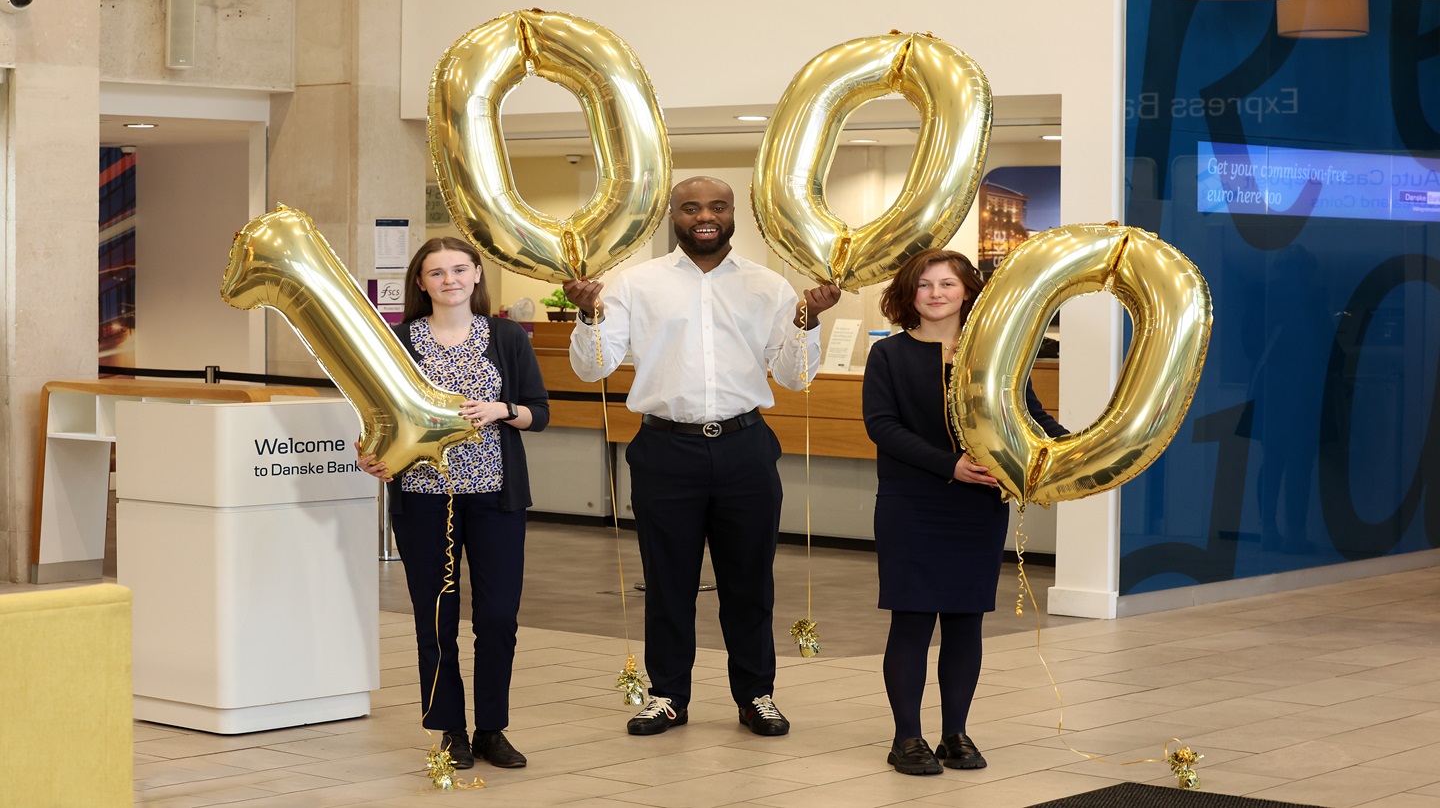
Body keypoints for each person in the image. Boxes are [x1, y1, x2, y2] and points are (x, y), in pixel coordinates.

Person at [563, 176, 840, 737]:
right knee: (668, 583)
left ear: (733, 213)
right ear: (674, 216)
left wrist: (807, 320)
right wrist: (589, 315)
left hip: (746, 448)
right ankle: (667, 695)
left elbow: (794, 376)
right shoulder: (635, 284)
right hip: (666, 449)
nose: (704, 216)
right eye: (691, 208)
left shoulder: (769, 286)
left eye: (716, 206)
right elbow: (592, 367)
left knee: (749, 583)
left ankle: (755, 694)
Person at [862, 248, 1066, 775]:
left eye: (947, 285)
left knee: (964, 624)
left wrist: (1081, 451)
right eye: (924, 285)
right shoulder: (889, 355)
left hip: (977, 508)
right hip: (912, 503)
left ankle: (956, 734)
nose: (935, 294)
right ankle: (907, 738)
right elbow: (882, 427)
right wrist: (948, 466)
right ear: (908, 294)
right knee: (910, 623)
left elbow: (1034, 416)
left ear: (969, 292)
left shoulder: (997, 356)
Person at [357, 237, 549, 770]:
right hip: (423, 498)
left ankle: (492, 729)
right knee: (435, 618)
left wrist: (501, 408)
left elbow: (539, 412)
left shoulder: (507, 336)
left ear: (477, 274)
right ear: (420, 282)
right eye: (436, 272)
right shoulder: (396, 342)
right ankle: (450, 731)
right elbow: (378, 421)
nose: (450, 280)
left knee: (498, 617)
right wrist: (372, 458)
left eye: (459, 269)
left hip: (496, 498)